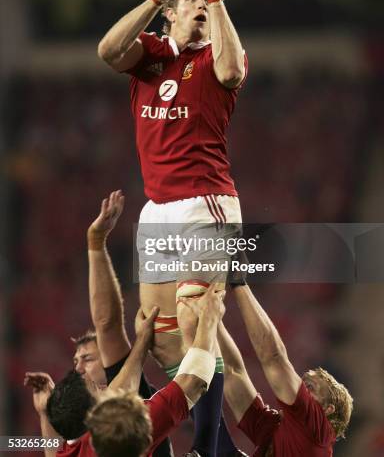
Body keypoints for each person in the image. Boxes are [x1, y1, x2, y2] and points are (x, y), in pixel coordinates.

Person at [98, 0, 246, 456]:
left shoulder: (217, 53)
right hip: (157, 209)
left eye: (207, 2)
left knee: (192, 314)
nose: (201, 7)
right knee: (160, 337)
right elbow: (107, 51)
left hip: (206, 201)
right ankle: (206, 440)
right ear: (170, 14)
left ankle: (208, 445)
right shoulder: (152, 59)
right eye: (192, 1)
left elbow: (231, 74)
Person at [26, 285, 225, 457]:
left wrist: (45, 413)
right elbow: (195, 381)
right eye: (98, 391)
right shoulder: (126, 429)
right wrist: (209, 319)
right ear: (95, 418)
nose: (105, 388)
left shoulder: (79, 440)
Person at [181, 285, 353, 456]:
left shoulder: (319, 433)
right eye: (303, 383)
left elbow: (274, 357)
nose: (300, 390)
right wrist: (209, 316)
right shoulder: (273, 429)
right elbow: (233, 373)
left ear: (327, 411)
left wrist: (240, 284)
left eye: (310, 389)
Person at [74, 189, 173, 456]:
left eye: (87, 359)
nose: (79, 368)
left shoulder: (119, 416)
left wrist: (96, 243)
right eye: (78, 361)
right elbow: (196, 377)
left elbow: (106, 324)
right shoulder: (133, 415)